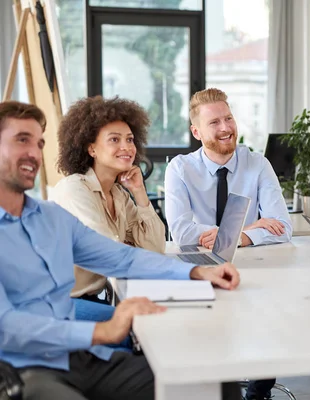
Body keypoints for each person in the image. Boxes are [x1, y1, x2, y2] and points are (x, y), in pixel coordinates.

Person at [0, 100, 241, 400]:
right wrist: (102, 332)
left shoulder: (51, 218)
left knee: (216, 384)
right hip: (26, 369)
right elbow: (6, 326)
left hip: (83, 358)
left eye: (39, 143)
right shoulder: (71, 193)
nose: (34, 153)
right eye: (22, 140)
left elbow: (122, 257)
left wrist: (196, 270)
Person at [50, 96, 165, 329]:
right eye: (114, 139)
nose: (126, 147)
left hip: (90, 299)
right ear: (91, 148)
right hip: (57, 306)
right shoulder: (74, 189)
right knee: (145, 327)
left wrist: (140, 192)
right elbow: (108, 253)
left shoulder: (119, 194)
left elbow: (155, 247)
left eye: (130, 139)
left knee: (152, 322)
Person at [165, 88, 292, 251]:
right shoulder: (179, 169)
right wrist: (243, 232)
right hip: (201, 258)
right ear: (196, 132)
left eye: (228, 118)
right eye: (214, 122)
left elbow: (283, 229)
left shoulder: (258, 164)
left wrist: (240, 238)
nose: (225, 128)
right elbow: (181, 234)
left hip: (249, 257)